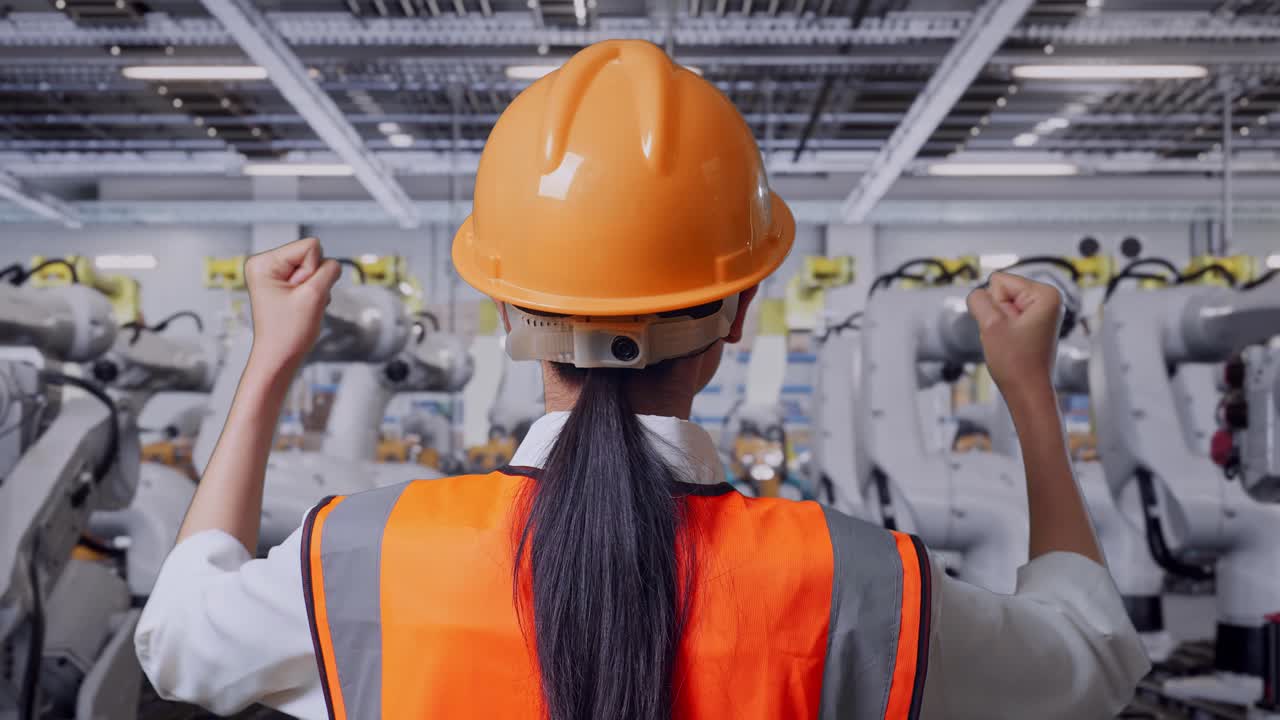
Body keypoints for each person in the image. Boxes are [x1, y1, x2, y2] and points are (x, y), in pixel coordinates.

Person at [136, 40, 1149, 720]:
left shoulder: (361, 553)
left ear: (506, 309)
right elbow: (1091, 662)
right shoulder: (853, 581)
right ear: (739, 312)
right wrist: (1027, 396)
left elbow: (176, 631)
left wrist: (269, 362)